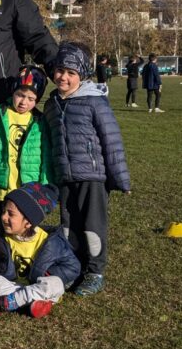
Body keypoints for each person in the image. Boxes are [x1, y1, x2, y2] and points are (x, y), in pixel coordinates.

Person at [44, 42, 131, 296]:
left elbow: (111, 141)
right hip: (65, 177)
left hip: (93, 178)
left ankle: (95, 272)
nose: (64, 77)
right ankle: (74, 268)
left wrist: (121, 179)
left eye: (71, 73)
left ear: (81, 75)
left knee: (92, 226)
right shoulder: (51, 105)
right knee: (69, 227)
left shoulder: (95, 102)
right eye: (60, 70)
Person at [0, 182, 80, 318]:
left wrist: (48, 273)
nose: (3, 217)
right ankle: (30, 304)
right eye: (3, 211)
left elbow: (73, 267)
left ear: (29, 222)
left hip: (39, 285)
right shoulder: (2, 239)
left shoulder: (51, 241)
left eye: (10, 214)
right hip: (15, 285)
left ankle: (5, 303)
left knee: (55, 284)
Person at [0, 65, 53, 218]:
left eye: (31, 99)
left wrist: (45, 186)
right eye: (20, 95)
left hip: (29, 188)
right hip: (4, 187)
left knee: (25, 228)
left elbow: (46, 156)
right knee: (4, 224)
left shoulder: (39, 120)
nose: (24, 102)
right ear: (13, 92)